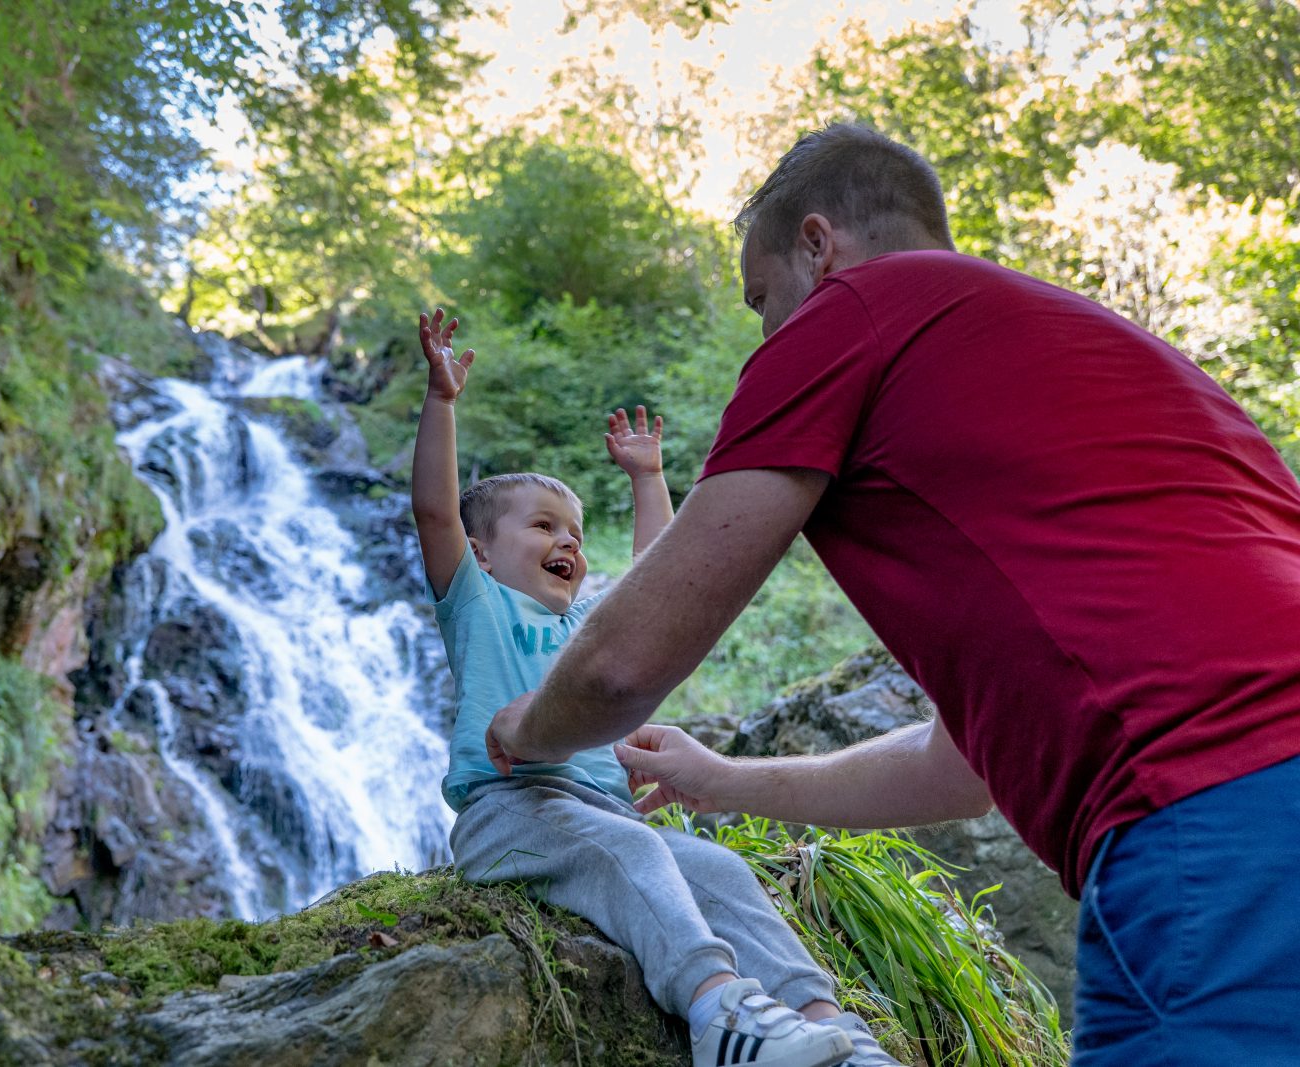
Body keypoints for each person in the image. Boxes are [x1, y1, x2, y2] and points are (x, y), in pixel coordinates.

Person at [483, 123, 1300, 1065]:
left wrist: (523, 734)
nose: (763, 332)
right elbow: (959, 771)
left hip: (1216, 815)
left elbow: (626, 663)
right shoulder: (1110, 361)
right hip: (1199, 833)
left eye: (759, 300)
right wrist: (717, 778)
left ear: (818, 247)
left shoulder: (851, 315)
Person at [412, 307, 895, 1067]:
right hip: (511, 811)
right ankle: (718, 1012)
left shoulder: (588, 639)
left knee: (720, 870)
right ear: (482, 552)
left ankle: (831, 1028)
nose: (565, 540)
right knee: (624, 852)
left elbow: (657, 579)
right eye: (542, 526)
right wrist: (441, 403)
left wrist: (648, 477)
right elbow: (435, 510)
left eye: (572, 530)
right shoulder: (478, 601)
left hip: (607, 810)